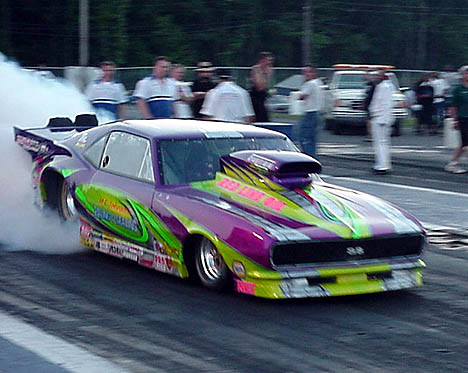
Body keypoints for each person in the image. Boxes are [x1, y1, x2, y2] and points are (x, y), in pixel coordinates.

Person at [368, 69, 395, 175]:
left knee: (380, 143)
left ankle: (382, 165)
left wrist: (381, 117)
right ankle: (383, 164)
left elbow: (384, 104)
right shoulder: (386, 86)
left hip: (380, 118)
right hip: (382, 117)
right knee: (383, 143)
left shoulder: (384, 87)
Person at [445, 65, 468, 174]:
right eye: (466, 73)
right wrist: (454, 119)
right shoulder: (458, 89)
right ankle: (453, 164)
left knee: (463, 144)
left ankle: (452, 163)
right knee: (466, 143)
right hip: (463, 117)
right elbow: (453, 106)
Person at [297, 64, 323, 158]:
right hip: (317, 112)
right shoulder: (318, 82)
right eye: (304, 72)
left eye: (308, 72)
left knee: (304, 137)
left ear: (313, 73)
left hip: (310, 112)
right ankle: (313, 157)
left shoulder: (310, 84)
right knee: (312, 138)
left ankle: (308, 157)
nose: (306, 74)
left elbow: (302, 96)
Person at [250, 51, 274, 122]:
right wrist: (264, 73)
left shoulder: (269, 69)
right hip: (256, 94)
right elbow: (258, 85)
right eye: (268, 60)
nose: (269, 62)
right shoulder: (256, 69)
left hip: (263, 94)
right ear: (263, 60)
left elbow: (264, 85)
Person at [363, 70, 377, 142]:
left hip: (372, 105)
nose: (365, 76)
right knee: (368, 121)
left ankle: (371, 135)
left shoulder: (373, 85)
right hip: (368, 105)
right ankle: (370, 135)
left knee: (370, 121)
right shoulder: (367, 84)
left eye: (367, 75)